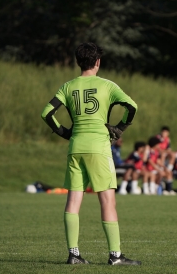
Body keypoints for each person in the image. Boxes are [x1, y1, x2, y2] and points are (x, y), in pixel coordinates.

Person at [41, 42, 140, 266]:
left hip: (76, 147)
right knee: (107, 201)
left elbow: (47, 113)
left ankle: (74, 254)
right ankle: (115, 256)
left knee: (73, 200)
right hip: (98, 147)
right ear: (97, 62)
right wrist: (119, 128)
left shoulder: (68, 86)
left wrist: (64, 132)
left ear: (78, 62)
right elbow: (131, 107)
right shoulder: (107, 85)